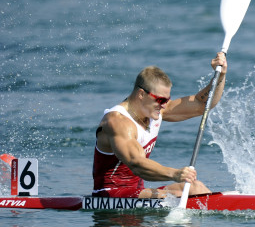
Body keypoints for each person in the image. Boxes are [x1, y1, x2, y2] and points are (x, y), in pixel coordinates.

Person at [92, 53, 227, 198]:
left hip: (138, 192)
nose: (163, 105)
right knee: (175, 195)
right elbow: (136, 164)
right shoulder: (117, 121)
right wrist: (175, 174)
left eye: (167, 100)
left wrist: (220, 76)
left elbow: (202, 104)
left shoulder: (155, 110)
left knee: (196, 188)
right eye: (160, 100)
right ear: (141, 94)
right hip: (110, 194)